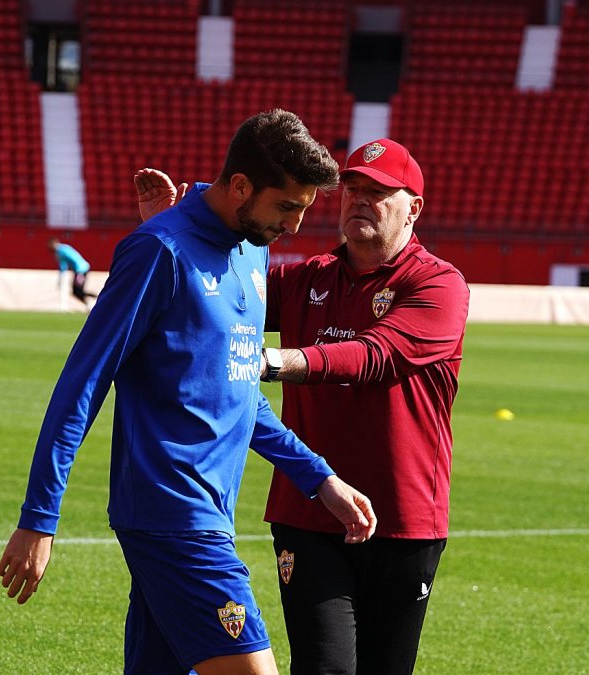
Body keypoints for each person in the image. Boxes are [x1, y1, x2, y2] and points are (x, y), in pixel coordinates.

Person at [0, 110, 378, 675]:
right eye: (287, 207)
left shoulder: (252, 247)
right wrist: (39, 516)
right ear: (242, 187)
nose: (295, 227)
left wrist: (317, 477)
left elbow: (240, 388)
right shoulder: (159, 250)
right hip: (172, 513)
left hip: (209, 510)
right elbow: (82, 383)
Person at [135, 137, 469, 674]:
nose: (360, 199)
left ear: (414, 208)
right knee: (325, 668)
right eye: (352, 188)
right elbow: (209, 296)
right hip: (308, 513)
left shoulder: (439, 285)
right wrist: (167, 230)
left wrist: (272, 361)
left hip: (404, 518)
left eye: (379, 192)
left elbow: (374, 355)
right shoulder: (304, 279)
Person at [47, 237, 97, 306]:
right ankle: (90, 303)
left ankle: (96, 299)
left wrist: (60, 278)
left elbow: (63, 266)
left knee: (77, 291)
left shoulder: (60, 251)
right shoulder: (65, 248)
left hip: (81, 270)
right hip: (80, 270)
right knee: (76, 292)